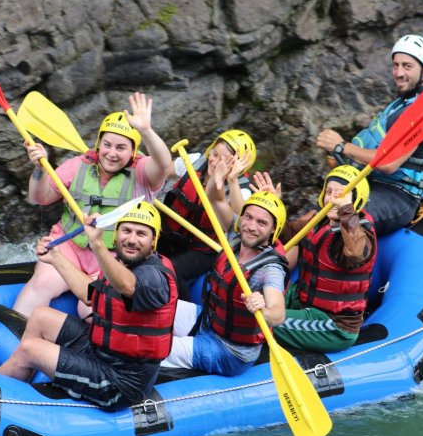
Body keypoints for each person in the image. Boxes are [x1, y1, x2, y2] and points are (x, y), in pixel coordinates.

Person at [0, 202, 178, 410]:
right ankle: (22, 380)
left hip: (120, 383)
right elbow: (91, 296)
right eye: (126, 231)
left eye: (141, 234)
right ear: (117, 235)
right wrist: (56, 258)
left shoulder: (155, 278)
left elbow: (128, 286)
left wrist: (97, 245)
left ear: (154, 241)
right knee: (40, 316)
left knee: (30, 349)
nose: (132, 240)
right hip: (100, 352)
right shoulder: (120, 262)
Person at [13, 92, 172, 319]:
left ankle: (81, 350)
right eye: (107, 145)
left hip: (113, 257)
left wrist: (145, 130)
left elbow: (164, 164)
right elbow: (41, 198)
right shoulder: (78, 165)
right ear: (98, 144)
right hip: (69, 246)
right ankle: (13, 336)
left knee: (89, 306)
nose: (111, 153)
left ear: (133, 152)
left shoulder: (143, 173)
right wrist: (40, 169)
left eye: (121, 148)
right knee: (42, 283)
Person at [316, 34, 423, 235]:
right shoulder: (404, 101)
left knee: (343, 221)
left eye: (407, 66)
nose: (398, 72)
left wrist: (342, 147)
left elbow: (388, 163)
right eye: (396, 65)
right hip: (375, 183)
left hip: (401, 195)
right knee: (317, 215)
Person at [161, 191, 287, 377]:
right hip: (207, 322)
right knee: (156, 306)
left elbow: (279, 313)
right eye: (248, 217)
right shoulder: (235, 236)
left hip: (230, 352)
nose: (251, 226)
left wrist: (263, 309)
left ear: (273, 230)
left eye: (262, 223)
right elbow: (215, 197)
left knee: (154, 344)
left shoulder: (269, 270)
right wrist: (224, 176)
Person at [273, 165, 377, 352]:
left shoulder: (363, 234)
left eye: (341, 194)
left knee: (260, 319)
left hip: (333, 325)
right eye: (329, 192)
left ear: (355, 200)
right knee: (244, 303)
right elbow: (283, 233)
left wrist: (345, 210)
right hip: (303, 302)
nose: (333, 198)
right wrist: (272, 206)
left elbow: (355, 252)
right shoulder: (318, 221)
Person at [158, 130, 256, 301]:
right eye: (215, 154)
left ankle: (183, 314)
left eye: (224, 160)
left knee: (171, 268)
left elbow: (241, 222)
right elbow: (163, 170)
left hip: (203, 250)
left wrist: (231, 180)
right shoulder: (195, 161)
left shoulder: (242, 189)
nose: (215, 162)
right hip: (169, 235)